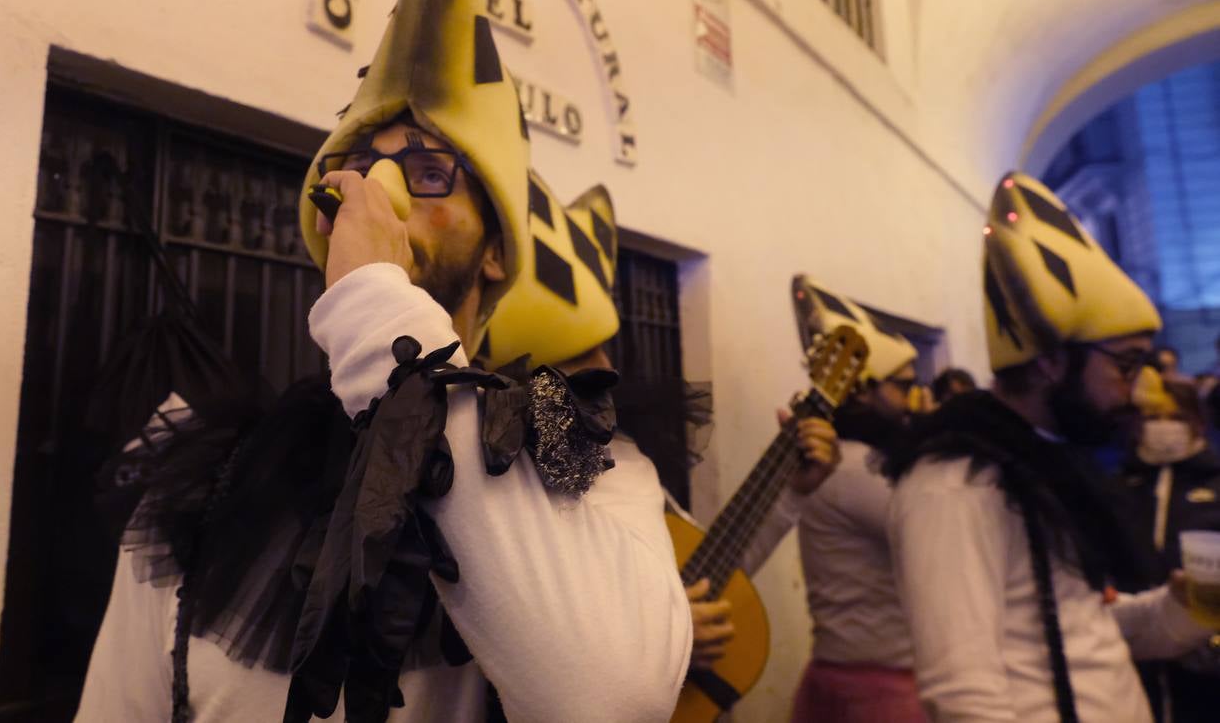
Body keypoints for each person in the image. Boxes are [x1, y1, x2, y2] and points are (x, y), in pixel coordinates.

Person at [77, 0, 691, 723]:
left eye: (432, 171)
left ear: (498, 248)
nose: (382, 192)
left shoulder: (593, 473)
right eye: (358, 165)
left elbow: (607, 698)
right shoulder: (211, 485)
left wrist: (381, 318)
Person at [481, 175, 840, 680]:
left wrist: (790, 496)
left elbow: (700, 583)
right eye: (580, 355)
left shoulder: (625, 460)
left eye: (605, 343)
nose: (607, 366)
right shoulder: (477, 495)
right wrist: (662, 645)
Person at [884, 171, 1213, 722]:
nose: (1136, 392)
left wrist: (1186, 608)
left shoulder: (1046, 457)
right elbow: (965, 699)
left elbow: (1085, 631)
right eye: (1125, 366)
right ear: (1050, 361)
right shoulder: (955, 486)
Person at [785, 275, 928, 723]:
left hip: (842, 679)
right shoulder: (855, 468)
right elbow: (939, 538)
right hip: (879, 694)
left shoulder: (844, 461)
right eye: (902, 387)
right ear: (863, 390)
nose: (915, 400)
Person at [1119, 368, 1220, 723]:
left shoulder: (1216, 482)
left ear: (1197, 423)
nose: (1163, 426)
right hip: (1135, 661)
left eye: (1176, 417)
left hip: (1207, 667)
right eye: (1152, 417)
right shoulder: (1116, 486)